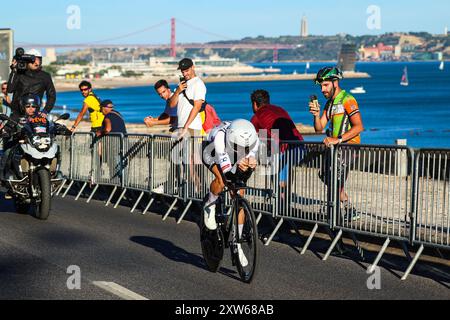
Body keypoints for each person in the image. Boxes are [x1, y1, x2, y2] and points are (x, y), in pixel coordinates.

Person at [201, 119, 259, 267]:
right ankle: (210, 204)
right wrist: (238, 168)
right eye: (240, 147)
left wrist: (250, 166)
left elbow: (244, 172)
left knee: (239, 193)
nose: (244, 149)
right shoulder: (220, 138)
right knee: (222, 180)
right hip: (211, 151)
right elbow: (227, 172)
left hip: (233, 153)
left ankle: (237, 242)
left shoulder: (254, 140)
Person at [309, 66, 364, 219]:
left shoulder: (348, 99)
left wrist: (338, 139)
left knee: (334, 180)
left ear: (335, 82)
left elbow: (359, 126)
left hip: (348, 147)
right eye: (321, 86)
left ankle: (334, 217)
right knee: (326, 176)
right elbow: (319, 128)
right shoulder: (330, 104)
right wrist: (316, 114)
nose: (322, 89)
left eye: (325, 85)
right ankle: (348, 209)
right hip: (335, 148)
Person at [250, 89, 304, 188]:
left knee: (279, 179)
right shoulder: (280, 109)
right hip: (299, 144)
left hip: (282, 148)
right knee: (285, 168)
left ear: (254, 104)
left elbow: (250, 137)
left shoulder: (257, 116)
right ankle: (284, 197)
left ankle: (281, 199)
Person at [7, 49, 56, 121]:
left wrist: (46, 110)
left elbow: (52, 95)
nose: (35, 62)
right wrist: (14, 71)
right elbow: (10, 89)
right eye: (32, 60)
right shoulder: (19, 73)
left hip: (35, 116)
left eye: (38, 59)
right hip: (17, 115)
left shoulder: (45, 76)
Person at [168, 58, 205, 137]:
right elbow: (171, 105)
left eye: (186, 71)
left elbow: (197, 107)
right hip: (181, 126)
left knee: (192, 150)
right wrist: (177, 91)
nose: (184, 74)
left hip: (192, 127)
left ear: (193, 67)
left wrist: (186, 127)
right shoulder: (182, 84)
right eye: (182, 71)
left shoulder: (198, 84)